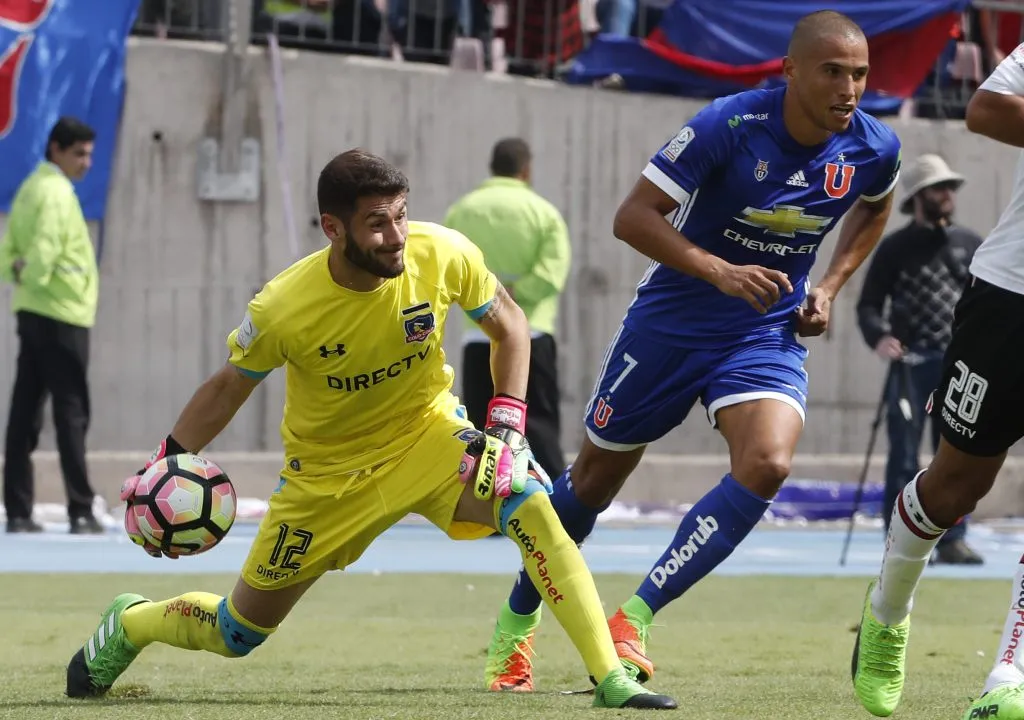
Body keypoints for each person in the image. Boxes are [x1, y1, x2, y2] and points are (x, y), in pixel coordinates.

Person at [62, 149, 676, 711]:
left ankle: (608, 678)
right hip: (325, 481)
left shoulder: (441, 253)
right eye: (378, 223)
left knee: (532, 504)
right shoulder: (283, 307)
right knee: (237, 632)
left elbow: (511, 325)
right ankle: (134, 621)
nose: (397, 236)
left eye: (402, 216)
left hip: (430, 437)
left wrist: (508, 426)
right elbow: (229, 385)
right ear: (334, 228)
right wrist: (162, 463)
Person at [483, 10, 903, 692]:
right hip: (672, 324)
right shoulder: (727, 126)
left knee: (768, 464)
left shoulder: (873, 146)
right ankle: (515, 627)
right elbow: (633, 217)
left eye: (859, 74)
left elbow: (877, 206)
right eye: (832, 72)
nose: (849, 88)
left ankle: (636, 617)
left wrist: (827, 286)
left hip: (763, 333)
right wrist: (721, 272)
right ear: (791, 71)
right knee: (590, 485)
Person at [852, 44, 1024, 720]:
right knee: (956, 484)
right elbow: (985, 108)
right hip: (1010, 296)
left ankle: (1009, 673)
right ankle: (886, 614)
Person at [856, 153, 984, 566]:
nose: (947, 194)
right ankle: (899, 540)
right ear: (918, 197)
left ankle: (953, 540)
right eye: (938, 188)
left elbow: (987, 303)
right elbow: (869, 305)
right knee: (904, 457)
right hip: (910, 366)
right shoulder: (894, 247)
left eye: (949, 187)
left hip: (959, 366)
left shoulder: (969, 244)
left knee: (958, 458)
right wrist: (880, 338)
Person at [445, 138, 571, 481]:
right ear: (526, 169)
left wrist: (487, 299)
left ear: (492, 167)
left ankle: (483, 509)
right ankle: (554, 507)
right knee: (538, 423)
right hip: (531, 334)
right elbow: (551, 273)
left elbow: (446, 267)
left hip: (478, 335)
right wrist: (511, 295)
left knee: (482, 427)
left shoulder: (462, 211)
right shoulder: (543, 213)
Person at [0, 117, 103, 535]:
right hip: (63, 314)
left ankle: (18, 510)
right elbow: (44, 248)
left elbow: (10, 249)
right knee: (72, 412)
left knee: (25, 413)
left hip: (33, 313)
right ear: (56, 149)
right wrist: (38, 277)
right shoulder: (57, 193)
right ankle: (80, 508)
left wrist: (23, 276)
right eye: (79, 153)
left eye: (89, 154)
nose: (86, 163)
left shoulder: (29, 189)